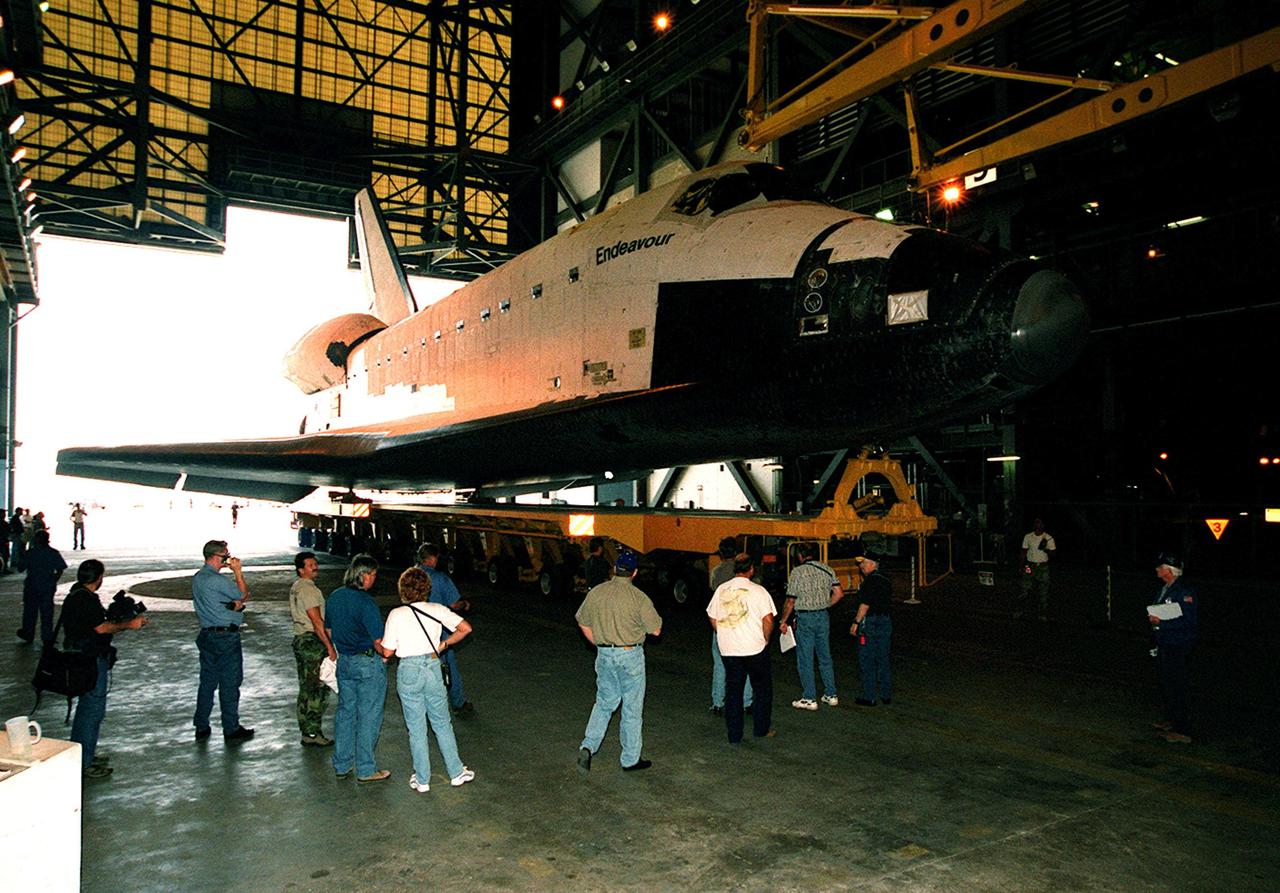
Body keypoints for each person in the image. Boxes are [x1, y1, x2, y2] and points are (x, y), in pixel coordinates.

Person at [382, 567, 476, 792]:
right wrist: (442, 645)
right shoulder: (437, 609)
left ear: (403, 590)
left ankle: (422, 779)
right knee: (442, 723)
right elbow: (466, 628)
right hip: (433, 666)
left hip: (409, 670)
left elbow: (387, 652)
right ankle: (456, 772)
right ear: (427, 588)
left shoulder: (396, 614)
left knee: (416, 728)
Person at [58, 559, 148, 779]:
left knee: (86, 710)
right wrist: (129, 624)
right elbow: (101, 628)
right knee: (92, 711)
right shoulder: (87, 600)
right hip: (90, 659)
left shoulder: (75, 594)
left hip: (80, 657)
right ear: (99, 578)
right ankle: (85, 762)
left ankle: (83, 754)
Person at [575, 551, 662, 772]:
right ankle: (630, 758)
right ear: (634, 572)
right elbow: (656, 630)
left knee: (604, 702)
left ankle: (588, 746)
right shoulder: (638, 597)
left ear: (614, 569)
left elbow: (582, 621)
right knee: (632, 708)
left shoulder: (596, 593)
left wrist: (599, 643)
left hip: (604, 654)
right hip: (630, 655)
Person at [326, 554, 392, 782]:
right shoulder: (366, 603)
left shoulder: (335, 597)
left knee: (345, 713)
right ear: (363, 575)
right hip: (367, 663)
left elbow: (329, 631)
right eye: (373, 575)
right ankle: (366, 768)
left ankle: (342, 764)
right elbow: (378, 641)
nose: (374, 579)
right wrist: (387, 654)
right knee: (369, 715)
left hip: (344, 662)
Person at [707, 553, 775, 744]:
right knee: (762, 689)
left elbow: (712, 616)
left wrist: (722, 633)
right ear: (751, 569)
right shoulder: (759, 591)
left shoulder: (722, 589)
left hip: (730, 649)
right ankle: (761, 728)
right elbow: (768, 619)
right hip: (754, 648)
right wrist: (765, 638)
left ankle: (734, 734)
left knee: (733, 691)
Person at [192, 540, 254, 743]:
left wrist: (233, 606)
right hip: (225, 638)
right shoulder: (216, 580)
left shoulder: (198, 578)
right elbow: (243, 594)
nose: (228, 560)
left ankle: (201, 724)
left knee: (208, 682)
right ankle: (231, 728)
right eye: (225, 556)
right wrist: (237, 571)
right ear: (216, 556)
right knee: (229, 683)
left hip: (207, 635)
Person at [778, 541, 844, 710]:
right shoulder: (827, 569)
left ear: (800, 556)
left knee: (805, 658)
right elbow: (839, 593)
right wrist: (826, 605)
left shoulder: (797, 573)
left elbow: (791, 600)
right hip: (823, 616)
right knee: (825, 656)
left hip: (805, 618)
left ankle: (809, 697)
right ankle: (831, 694)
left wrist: (783, 620)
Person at [416, 543, 473, 714]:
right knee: (448, 667)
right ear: (433, 558)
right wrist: (464, 604)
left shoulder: (411, 576)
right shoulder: (440, 578)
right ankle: (457, 702)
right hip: (438, 633)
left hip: (415, 630)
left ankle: (422, 705)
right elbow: (453, 604)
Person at [1147, 553, 1197, 743]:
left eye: (1161, 567)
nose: (1157, 570)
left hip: (1177, 643)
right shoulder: (1166, 588)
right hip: (1166, 642)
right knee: (1166, 682)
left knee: (1176, 685)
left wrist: (1162, 622)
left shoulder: (1183, 591)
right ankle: (1171, 719)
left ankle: (1182, 729)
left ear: (1169, 570)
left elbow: (1188, 620)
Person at [290, 551, 337, 747]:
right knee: (317, 688)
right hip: (312, 641)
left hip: (301, 638)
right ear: (301, 570)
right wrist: (329, 646)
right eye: (310, 565)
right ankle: (312, 732)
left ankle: (307, 731)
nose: (314, 567)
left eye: (315, 563)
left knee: (306, 687)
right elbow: (316, 621)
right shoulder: (308, 590)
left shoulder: (298, 586)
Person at [708, 536, 752, 716]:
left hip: (722, 623)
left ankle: (718, 702)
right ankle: (746, 702)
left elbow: (712, 591)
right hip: (742, 623)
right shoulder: (740, 571)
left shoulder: (717, 572)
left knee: (720, 664)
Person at [850, 549, 893, 707]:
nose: (861, 566)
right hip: (885, 621)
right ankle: (886, 694)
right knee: (883, 658)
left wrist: (856, 622)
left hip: (870, 622)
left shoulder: (869, 581)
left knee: (867, 659)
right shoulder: (886, 579)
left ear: (872, 564)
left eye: (863, 562)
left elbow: (865, 605)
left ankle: (869, 696)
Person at [17, 530, 67, 644]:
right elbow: (60, 569)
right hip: (47, 586)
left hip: (32, 586)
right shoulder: (53, 553)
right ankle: (47, 636)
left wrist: (22, 553)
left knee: (30, 612)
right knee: (47, 613)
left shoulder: (30, 553)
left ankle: (28, 633)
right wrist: (53, 580)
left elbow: (20, 568)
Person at [1018, 518, 1056, 620]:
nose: (1037, 524)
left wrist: (1045, 549)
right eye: (1036, 522)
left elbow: (1053, 554)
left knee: (1043, 592)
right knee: (1024, 589)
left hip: (1043, 567)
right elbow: (1023, 552)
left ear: (1043, 525)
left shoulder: (1048, 538)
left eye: (1039, 522)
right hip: (1029, 566)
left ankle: (1042, 614)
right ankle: (1022, 611)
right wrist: (1021, 566)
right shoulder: (1028, 536)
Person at [10, 507, 25, 571]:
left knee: (15, 548)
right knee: (16, 548)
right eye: (21, 511)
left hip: (16, 534)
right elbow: (15, 527)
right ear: (18, 511)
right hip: (16, 534)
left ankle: (14, 561)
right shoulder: (15, 518)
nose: (22, 512)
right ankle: (15, 562)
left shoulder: (15, 518)